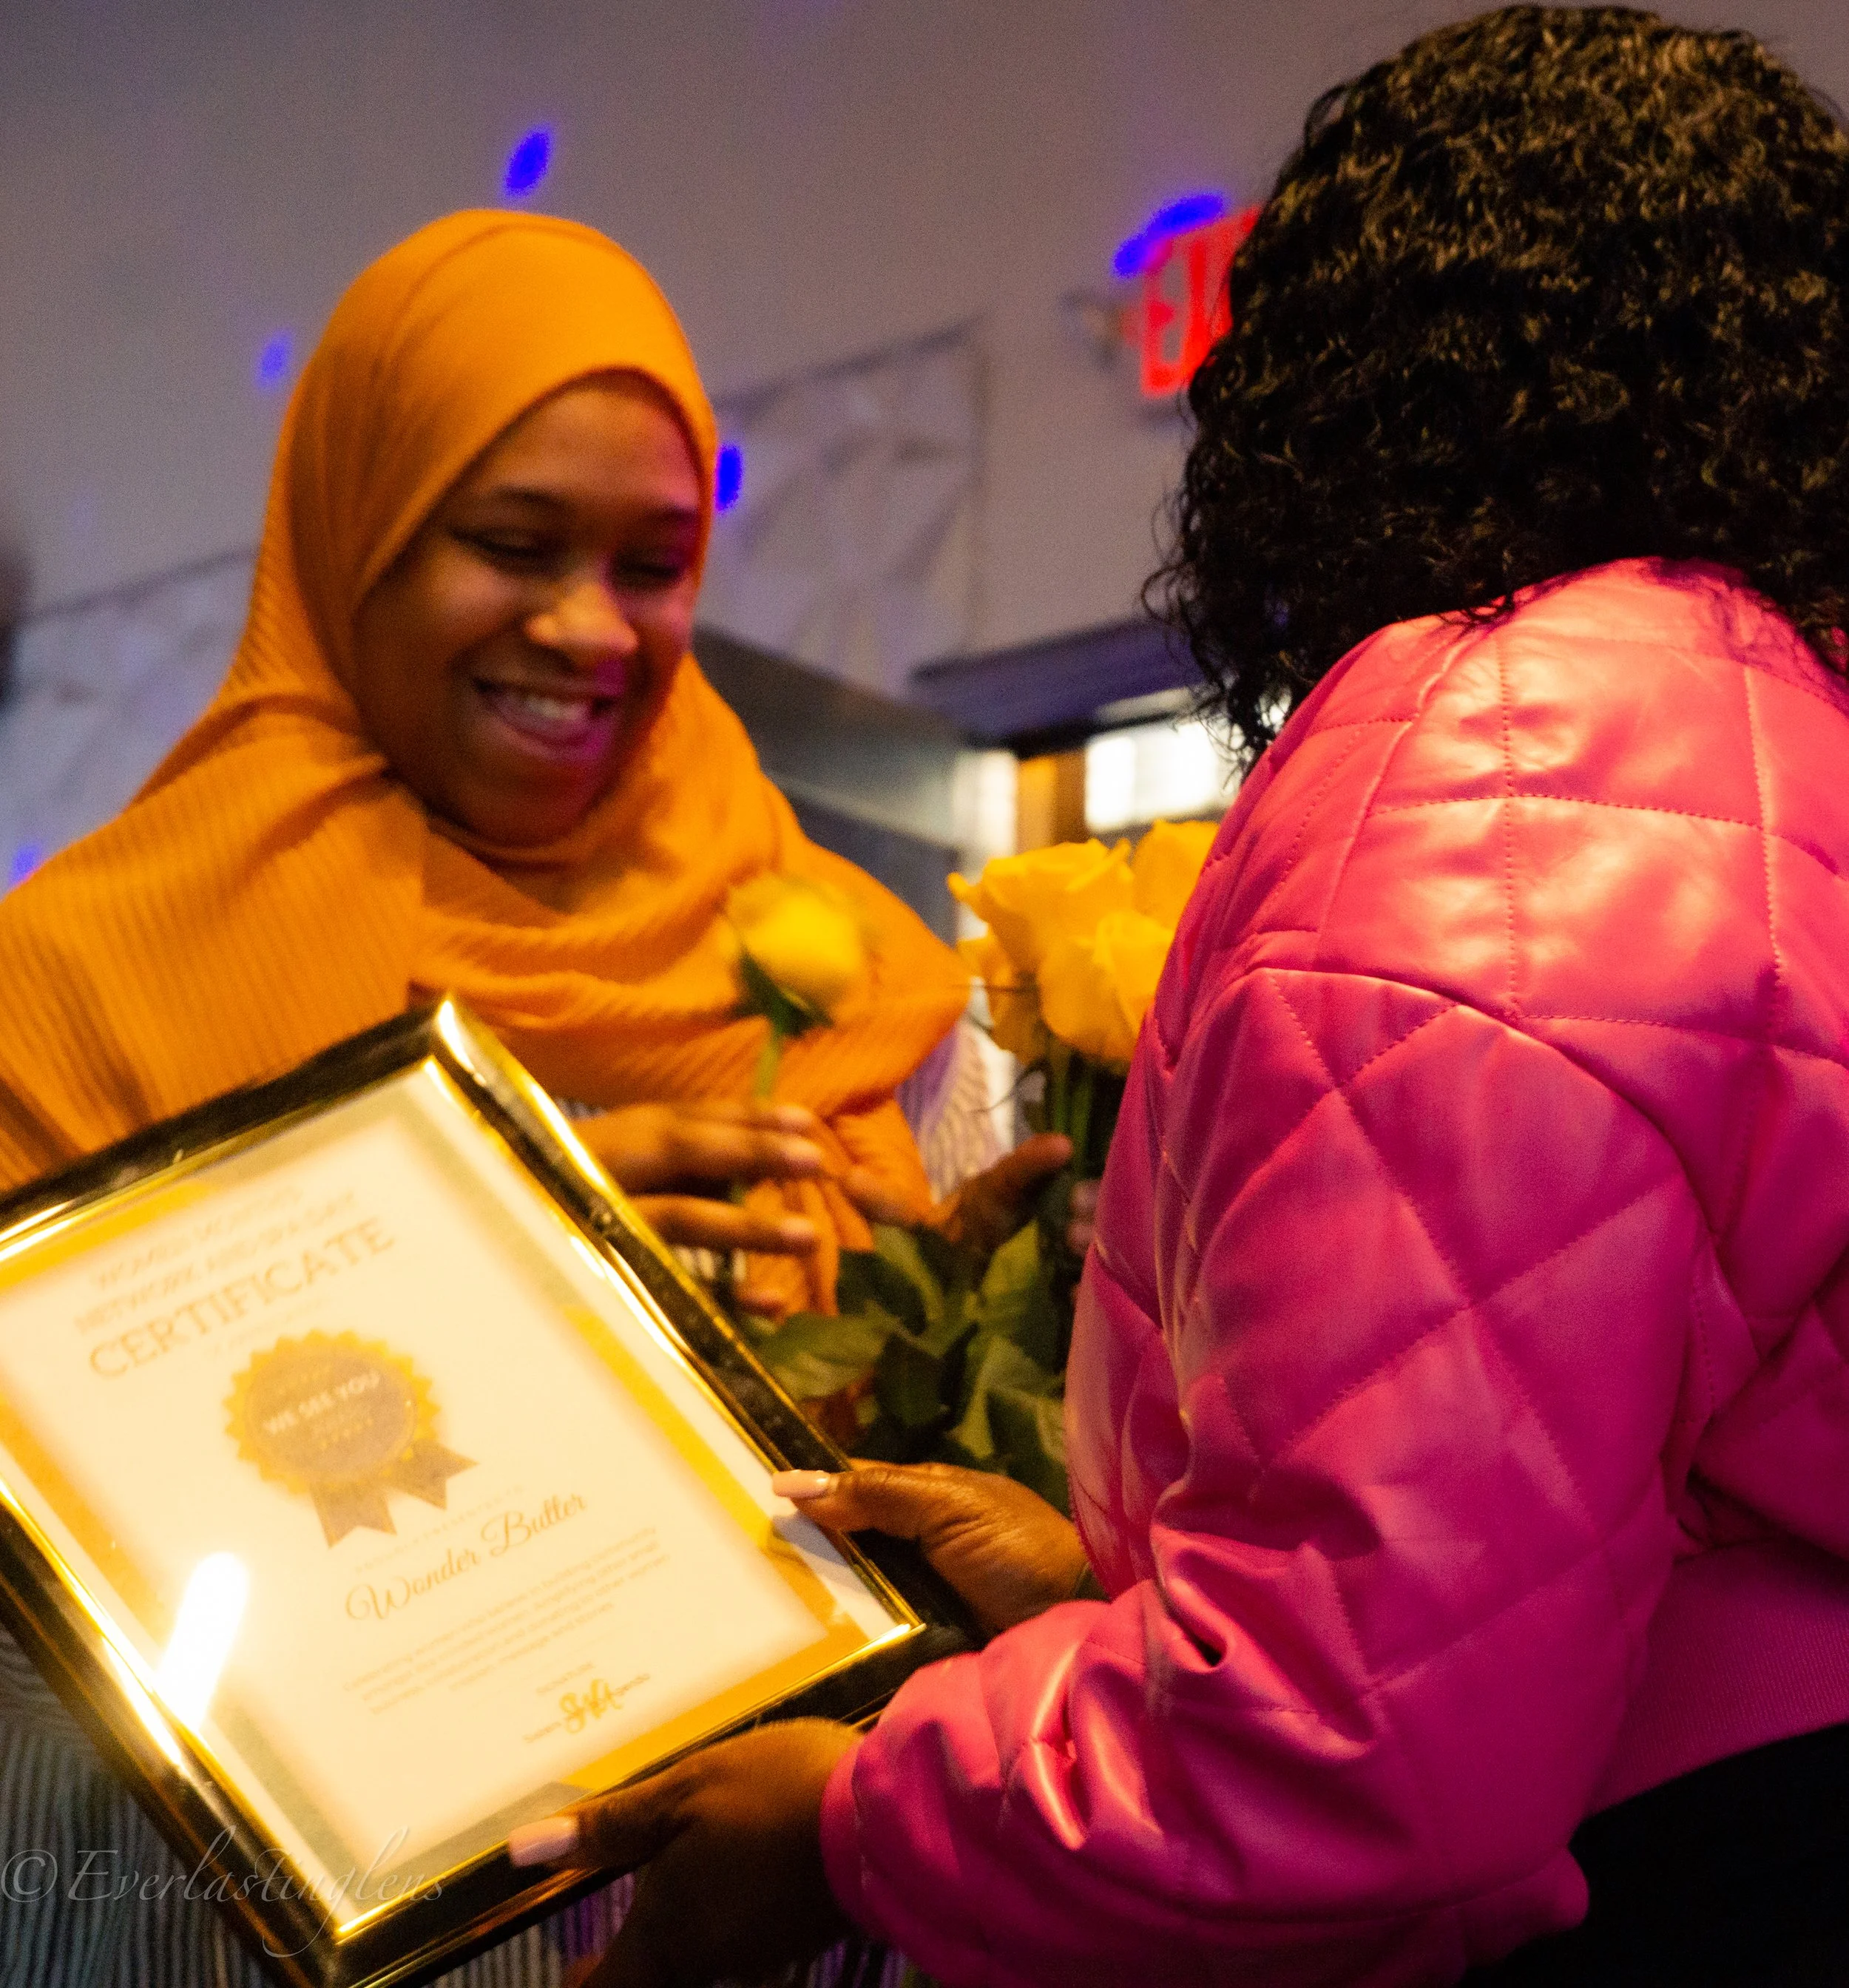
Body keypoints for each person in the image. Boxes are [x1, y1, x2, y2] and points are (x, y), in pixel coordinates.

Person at [511, 10, 1849, 1985]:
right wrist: (1107, 1593)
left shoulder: (1503, 772)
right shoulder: (1747, 738)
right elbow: (1576, 1528)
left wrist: (850, 1819)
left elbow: (1352, 1743)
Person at [0, 212, 1064, 1986]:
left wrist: (971, 1361)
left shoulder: (860, 980)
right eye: (508, 546)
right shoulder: (80, 981)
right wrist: (505, 1284)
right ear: (354, 539)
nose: (588, 631)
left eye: (654, 565)